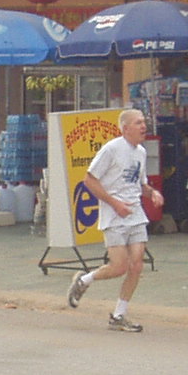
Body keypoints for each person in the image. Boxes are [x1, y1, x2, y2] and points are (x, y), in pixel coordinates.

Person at [67, 108, 162, 333]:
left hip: (135, 214)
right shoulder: (111, 149)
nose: (143, 126)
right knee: (119, 266)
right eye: (138, 123)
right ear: (125, 128)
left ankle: (119, 315)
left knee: (137, 265)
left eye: (143, 122)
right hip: (114, 216)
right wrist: (114, 203)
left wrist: (152, 193)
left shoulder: (140, 152)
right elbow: (89, 180)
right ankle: (84, 280)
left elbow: (139, 183)